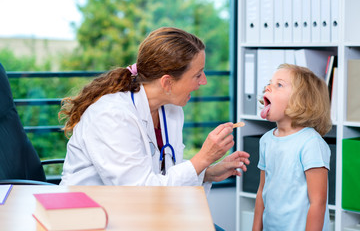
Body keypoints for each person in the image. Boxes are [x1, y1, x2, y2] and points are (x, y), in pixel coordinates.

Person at [59, 27, 250, 193]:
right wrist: (203, 158)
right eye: (197, 75)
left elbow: (164, 176)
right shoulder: (111, 116)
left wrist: (207, 173)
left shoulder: (170, 110)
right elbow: (139, 192)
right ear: (167, 82)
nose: (204, 81)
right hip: (90, 216)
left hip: (142, 214)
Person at [252, 64, 332, 231]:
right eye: (269, 83)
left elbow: (318, 203)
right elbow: (262, 191)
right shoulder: (266, 140)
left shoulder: (311, 143)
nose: (268, 87)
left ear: (301, 100)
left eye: (279, 84)